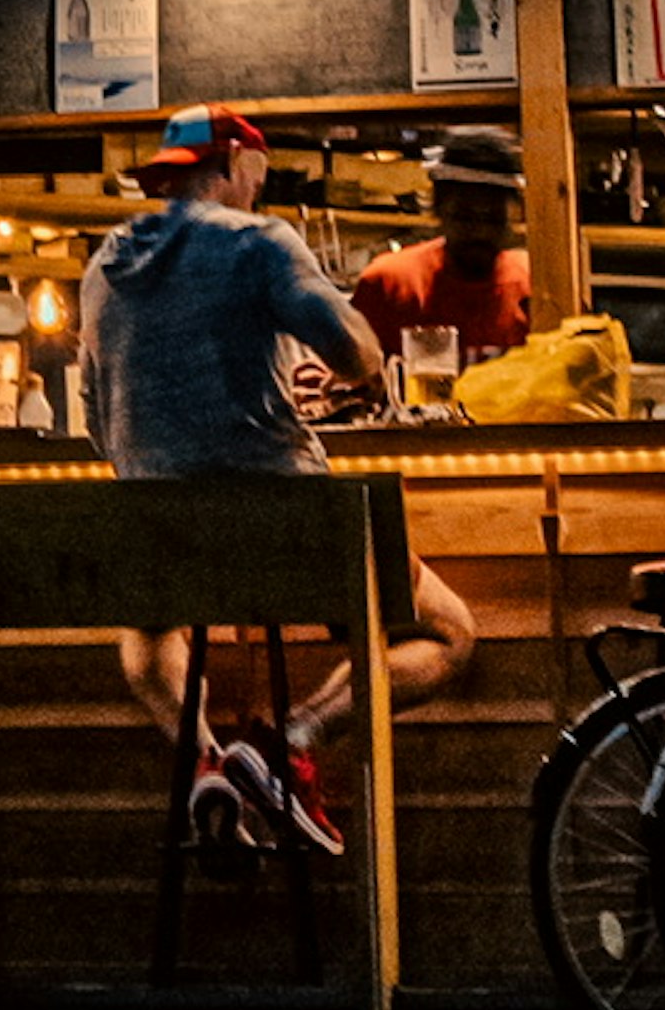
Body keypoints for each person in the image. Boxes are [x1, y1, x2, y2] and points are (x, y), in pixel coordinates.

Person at [76, 112, 387, 864]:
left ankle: (211, 761)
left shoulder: (102, 265)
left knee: (147, 641)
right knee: (445, 630)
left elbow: (96, 425)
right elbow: (353, 351)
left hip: (168, 544)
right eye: (262, 164)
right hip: (288, 539)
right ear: (237, 159)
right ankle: (289, 743)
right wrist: (360, 369)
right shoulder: (258, 242)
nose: (264, 181)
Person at [289, 126, 530, 757]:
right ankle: (301, 736)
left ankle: (300, 734)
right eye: (464, 205)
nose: (478, 222)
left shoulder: (539, 278)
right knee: (428, 631)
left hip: (505, 492)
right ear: (438, 203)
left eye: (492, 208)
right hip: (385, 501)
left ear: (513, 213)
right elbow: (335, 392)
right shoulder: (389, 282)